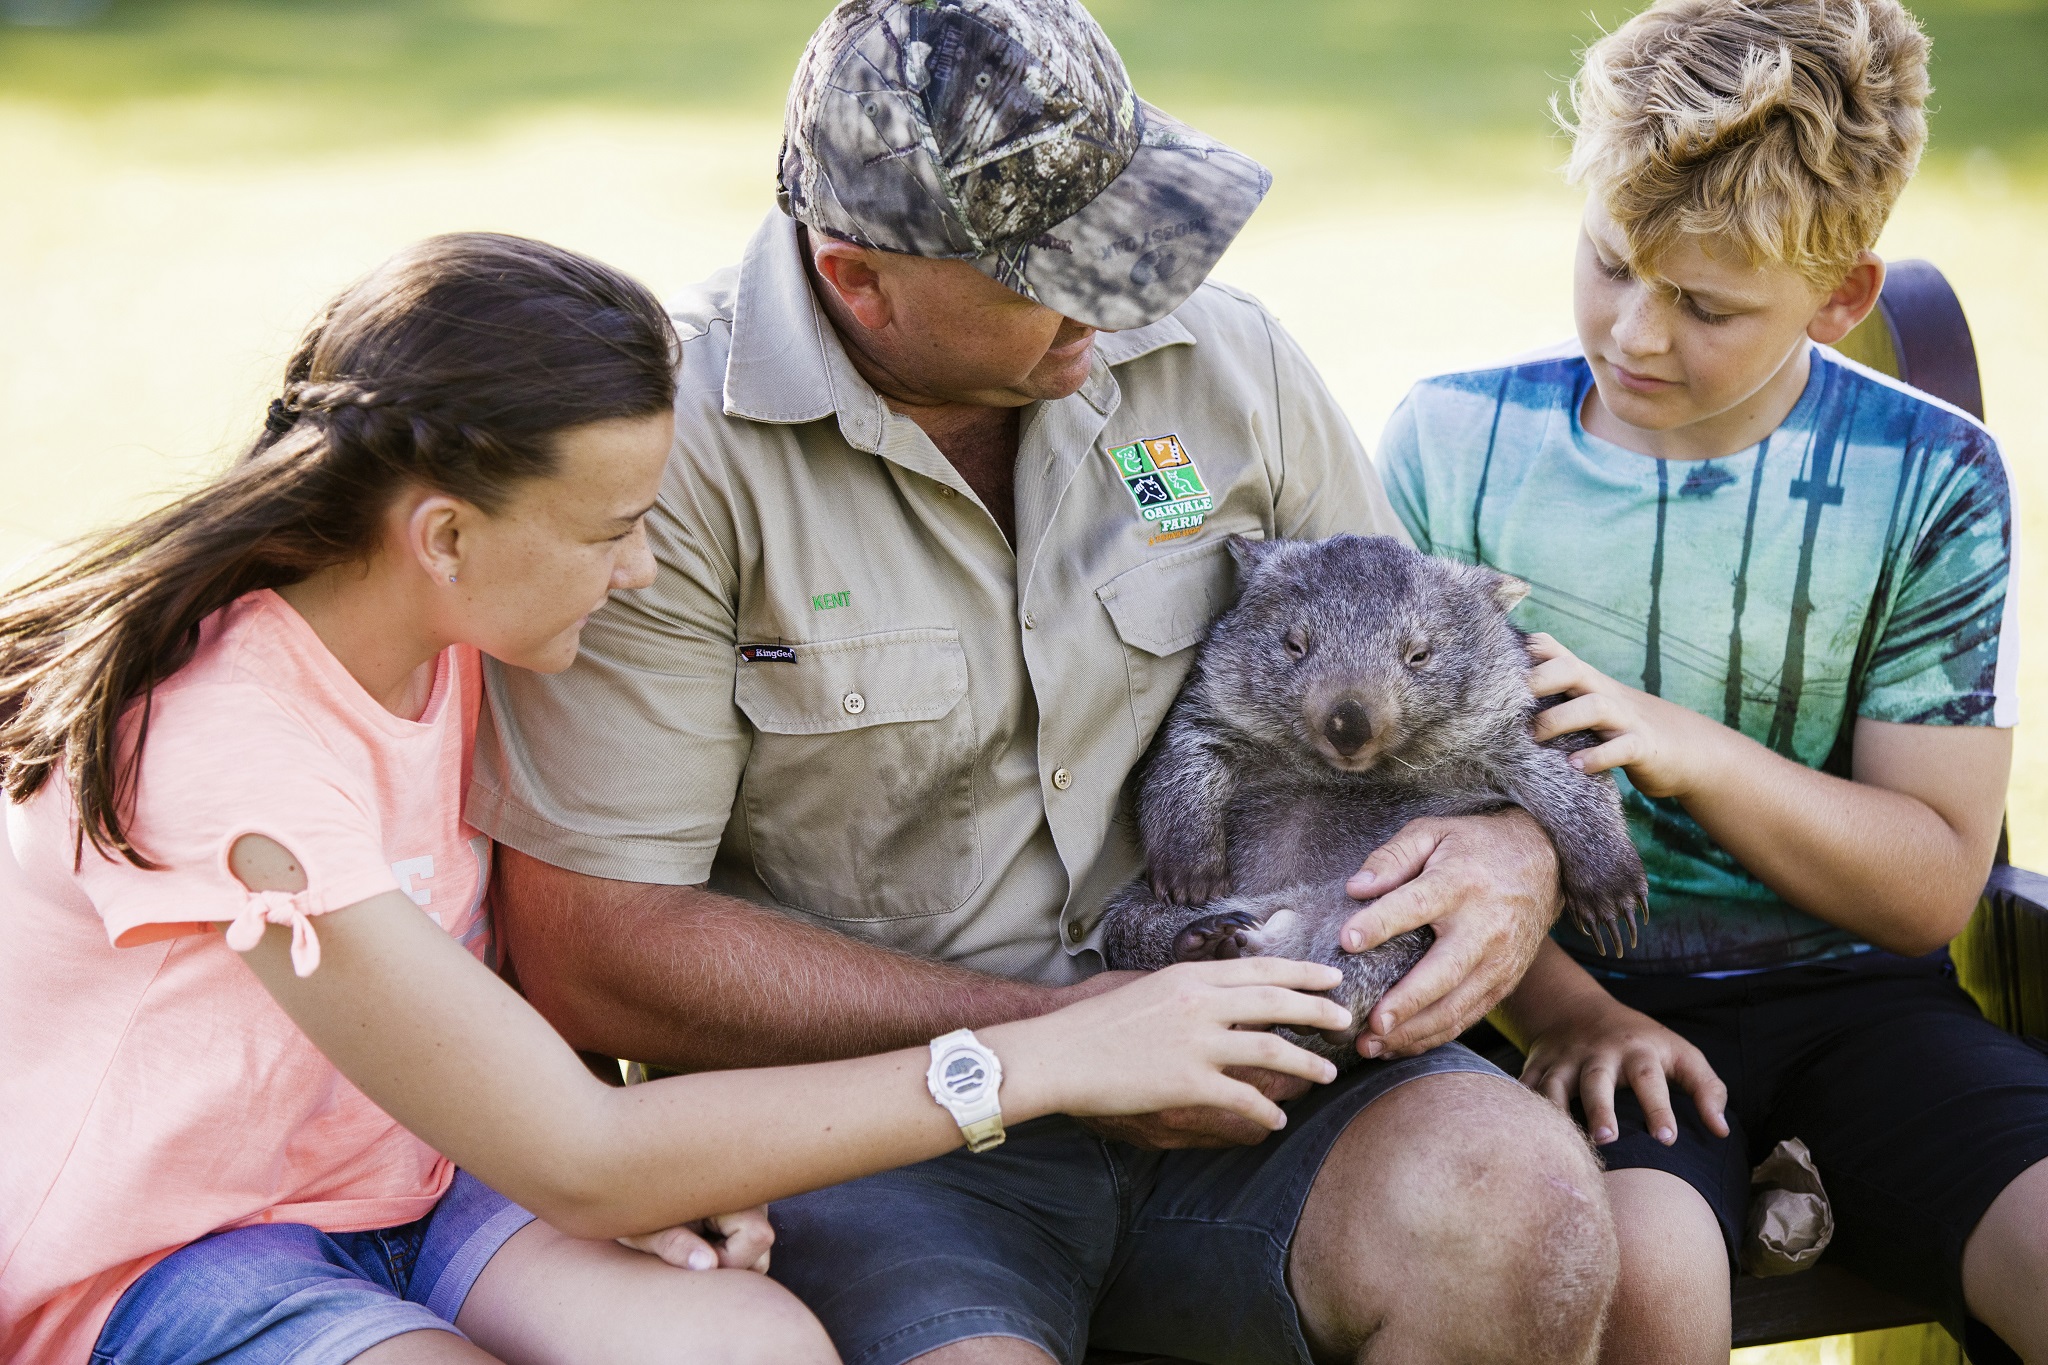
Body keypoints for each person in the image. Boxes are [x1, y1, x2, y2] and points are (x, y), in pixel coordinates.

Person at [470, 2, 1621, 1362]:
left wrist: (1512, 847)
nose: (1128, 290)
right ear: (859, 278)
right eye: (1058, 266)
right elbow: (596, 944)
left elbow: (1436, 673)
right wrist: (1059, 1037)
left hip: (1278, 1053)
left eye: (1132, 228)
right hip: (885, 1129)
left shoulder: (1226, 362)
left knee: (1525, 1216)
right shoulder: (671, 452)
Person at [0, 231, 1366, 1365]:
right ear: (445, 534)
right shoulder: (233, 753)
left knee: (752, 1349)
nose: (646, 570)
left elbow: (498, 1022)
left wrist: (653, 1178)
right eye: (610, 531)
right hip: (182, 1249)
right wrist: (1052, 1052)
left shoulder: (455, 644)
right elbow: (588, 1155)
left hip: (430, 1178)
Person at [1379, 0, 2048, 1359]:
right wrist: (1568, 1009)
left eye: (1705, 304)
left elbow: (1928, 879)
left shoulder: (1931, 478)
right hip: (1571, 1006)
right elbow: (1397, 828)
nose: (1633, 333)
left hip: (1865, 1002)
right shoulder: (1454, 448)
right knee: (1646, 1285)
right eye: (1612, 263)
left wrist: (1682, 743)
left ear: (1843, 293)